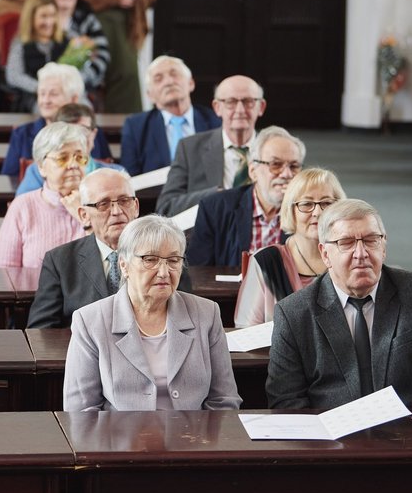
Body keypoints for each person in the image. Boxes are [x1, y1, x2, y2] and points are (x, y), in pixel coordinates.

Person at [267, 199, 412, 410]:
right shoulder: (293, 313)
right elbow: (286, 399)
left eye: (371, 240)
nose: (361, 254)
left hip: (407, 433)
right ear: (325, 254)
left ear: (384, 247)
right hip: (331, 437)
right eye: (346, 243)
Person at [63, 215, 241, 411]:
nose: (164, 272)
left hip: (193, 438)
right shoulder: (90, 321)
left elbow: (224, 400)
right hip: (119, 439)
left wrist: (199, 440)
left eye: (173, 260)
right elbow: (80, 412)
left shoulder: (207, 313)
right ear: (124, 265)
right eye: (151, 260)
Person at [27, 168, 139, 329]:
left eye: (124, 201)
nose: (116, 211)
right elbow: (41, 330)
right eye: (103, 204)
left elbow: (180, 319)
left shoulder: (162, 254)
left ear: (135, 206)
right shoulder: (60, 261)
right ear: (84, 215)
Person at [235, 168, 346, 327]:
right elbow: (246, 329)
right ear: (291, 210)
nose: (317, 212)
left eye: (326, 203)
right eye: (306, 204)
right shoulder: (266, 262)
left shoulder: (350, 257)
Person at [187, 126, 305, 268]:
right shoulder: (214, 208)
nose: (286, 174)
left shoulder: (309, 212)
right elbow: (197, 274)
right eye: (276, 164)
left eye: (294, 166)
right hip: (229, 290)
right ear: (253, 171)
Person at [156, 74, 266, 216]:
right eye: (231, 102)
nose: (240, 110)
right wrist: (214, 196)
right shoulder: (189, 148)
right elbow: (166, 207)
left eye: (248, 101)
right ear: (217, 107)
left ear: (261, 107)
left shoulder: (275, 150)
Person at [0, 122, 88, 270]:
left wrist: (85, 218)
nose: (74, 164)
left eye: (80, 157)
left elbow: (115, 265)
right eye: (62, 158)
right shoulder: (22, 206)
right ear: (41, 167)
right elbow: (4, 273)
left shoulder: (102, 203)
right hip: (34, 293)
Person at [0, 62, 110, 178]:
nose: (46, 100)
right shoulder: (22, 134)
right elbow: (9, 178)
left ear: (74, 99)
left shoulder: (91, 132)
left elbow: (107, 170)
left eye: (54, 94)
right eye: (42, 94)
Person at [120, 56, 221, 176]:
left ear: (191, 83)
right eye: (158, 79)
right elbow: (130, 177)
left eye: (174, 74)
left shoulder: (216, 120)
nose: (169, 82)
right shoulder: (136, 127)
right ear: (150, 95)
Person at [16, 102, 124, 195]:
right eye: (68, 131)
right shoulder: (38, 170)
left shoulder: (116, 172)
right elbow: (25, 206)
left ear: (94, 133)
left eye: (83, 129)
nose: (77, 136)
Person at [5, 0, 87, 113]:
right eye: (43, 16)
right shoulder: (20, 43)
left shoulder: (70, 38)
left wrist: (66, 89)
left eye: (52, 15)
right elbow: (14, 76)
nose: (49, 22)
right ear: (31, 17)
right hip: (36, 96)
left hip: (68, 94)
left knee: (84, 108)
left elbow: (83, 70)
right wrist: (46, 90)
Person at [47, 0, 110, 92]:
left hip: (80, 86)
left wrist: (78, 79)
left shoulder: (88, 21)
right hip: (46, 85)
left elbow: (102, 55)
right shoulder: (41, 20)